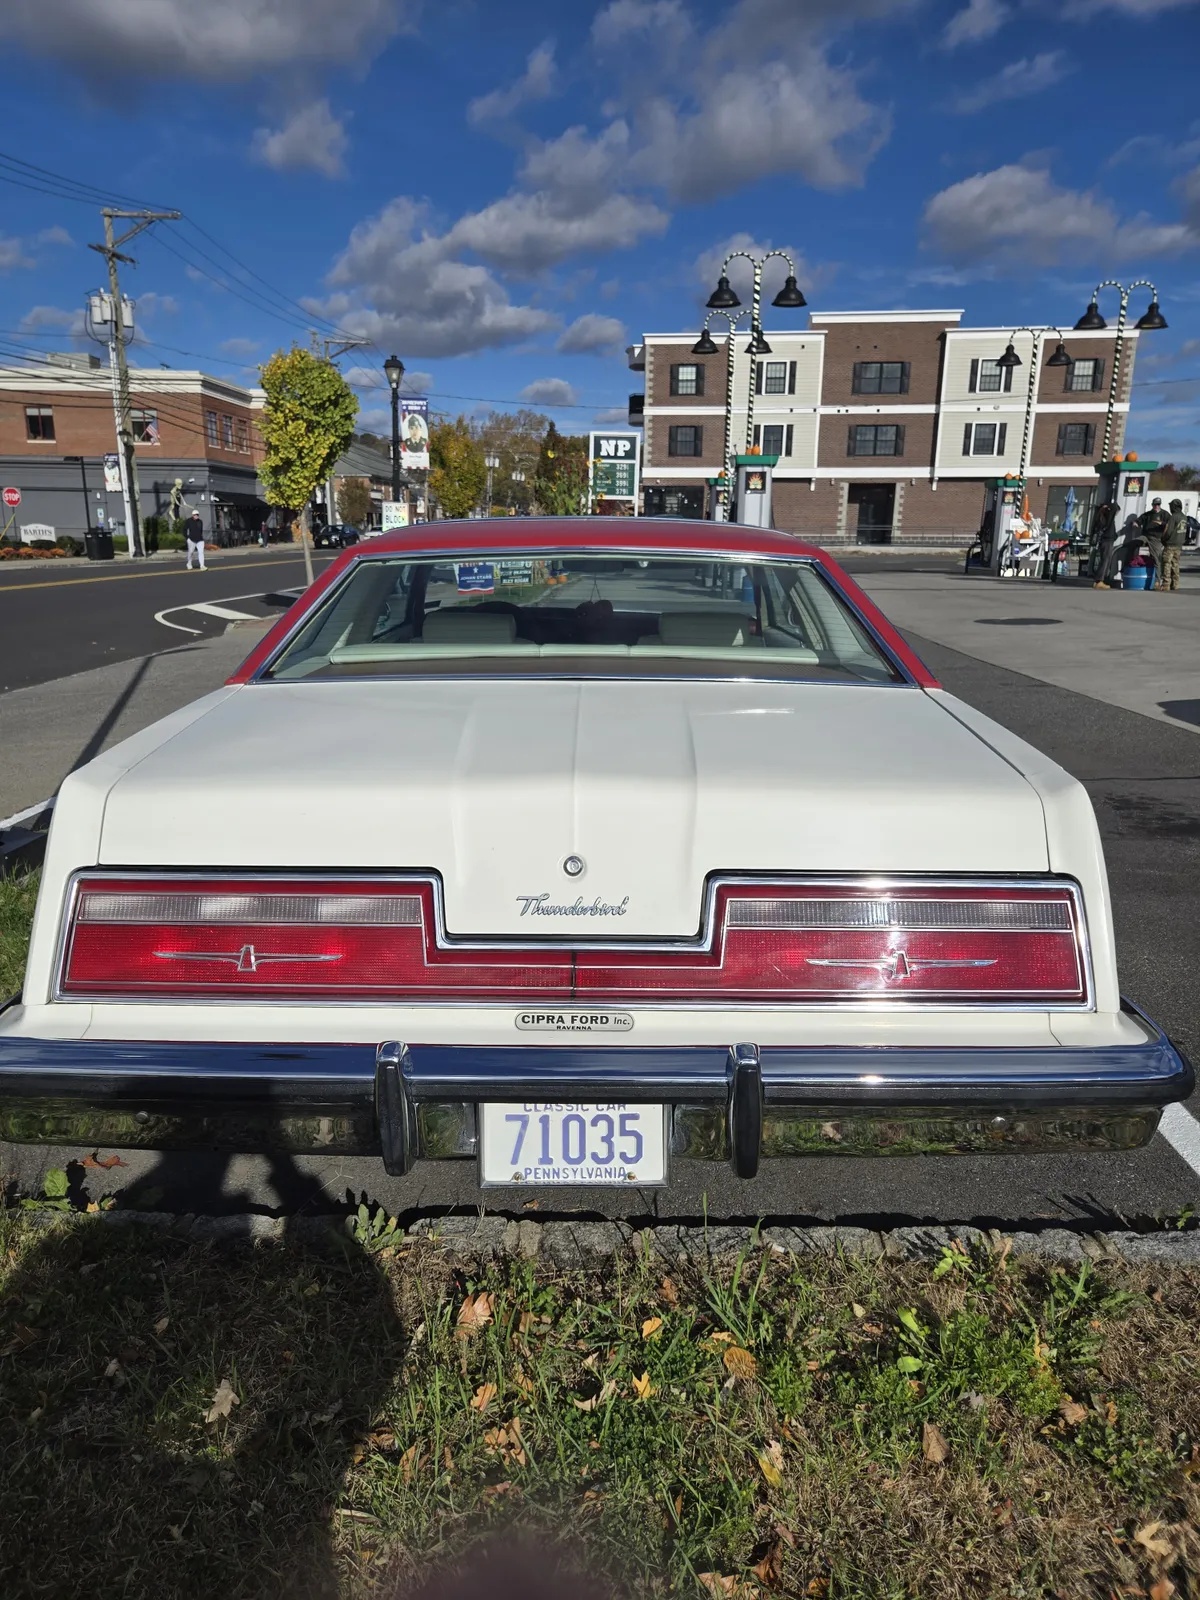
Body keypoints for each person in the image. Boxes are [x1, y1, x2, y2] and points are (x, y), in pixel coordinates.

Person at [1139, 496, 1169, 588]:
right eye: (1155, 504)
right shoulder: (1148, 514)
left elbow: (1171, 525)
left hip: (1156, 538)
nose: (1156, 506)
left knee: (1156, 558)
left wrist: (1162, 524)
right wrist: (1136, 522)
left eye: (1158, 504)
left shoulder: (1165, 514)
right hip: (1145, 536)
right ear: (1152, 505)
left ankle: (1157, 580)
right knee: (1134, 543)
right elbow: (1140, 519)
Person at [1161, 497, 1187, 592]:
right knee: (1175, 564)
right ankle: (1175, 584)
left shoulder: (1174, 517)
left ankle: (1166, 584)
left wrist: (1163, 539)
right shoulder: (1184, 517)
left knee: (1167, 563)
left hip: (1170, 544)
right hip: (1179, 545)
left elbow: (1168, 531)